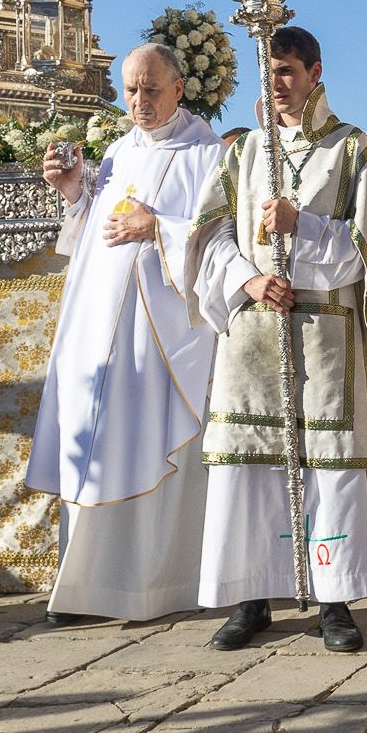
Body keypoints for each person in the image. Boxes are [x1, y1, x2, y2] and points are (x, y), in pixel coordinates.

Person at [187, 27, 367, 653]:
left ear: (315, 72)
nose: (277, 84)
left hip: (325, 336)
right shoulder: (243, 153)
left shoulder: (355, 151)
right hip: (254, 329)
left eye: (288, 71)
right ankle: (249, 597)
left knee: (328, 471)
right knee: (248, 466)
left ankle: (334, 599)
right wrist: (248, 279)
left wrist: (305, 226)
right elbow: (211, 235)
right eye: (269, 72)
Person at [29, 43, 225, 624]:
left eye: (151, 89)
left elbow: (221, 238)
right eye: (132, 89)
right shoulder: (117, 151)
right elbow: (94, 233)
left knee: (142, 442)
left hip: (161, 339)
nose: (139, 101)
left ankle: (157, 585)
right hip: (99, 332)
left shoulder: (207, 154)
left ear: (179, 89)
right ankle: (85, 586)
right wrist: (75, 191)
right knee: (92, 445)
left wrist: (157, 227)